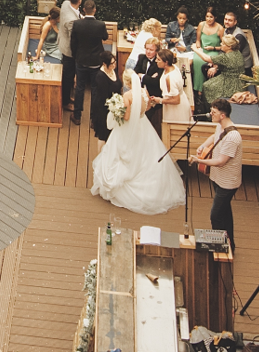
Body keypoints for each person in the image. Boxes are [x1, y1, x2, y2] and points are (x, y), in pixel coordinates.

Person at [90, 69, 186, 216]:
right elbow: (147, 107)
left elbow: (127, 117)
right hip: (143, 124)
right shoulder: (144, 92)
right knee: (146, 154)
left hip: (128, 129)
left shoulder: (127, 96)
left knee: (121, 153)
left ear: (127, 82)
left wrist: (117, 112)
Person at [190, 98, 243, 250]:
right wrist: (202, 146)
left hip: (228, 182)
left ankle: (221, 245)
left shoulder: (233, 137)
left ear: (222, 115)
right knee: (225, 211)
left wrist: (198, 160)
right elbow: (215, 138)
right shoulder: (220, 126)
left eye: (213, 112)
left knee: (216, 215)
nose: (210, 114)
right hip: (218, 178)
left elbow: (221, 161)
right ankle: (230, 243)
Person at [68, 8, 109, 127]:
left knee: (79, 87)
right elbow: (105, 37)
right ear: (95, 10)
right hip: (96, 61)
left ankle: (77, 116)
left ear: (84, 10)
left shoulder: (77, 24)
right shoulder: (100, 24)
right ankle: (93, 119)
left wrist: (76, 56)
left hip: (81, 60)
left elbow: (73, 42)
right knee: (95, 89)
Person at [192, 34, 246, 101]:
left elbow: (206, 58)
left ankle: (209, 105)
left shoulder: (226, 57)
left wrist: (195, 49)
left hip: (231, 83)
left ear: (229, 47)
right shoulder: (237, 52)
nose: (220, 44)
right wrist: (216, 67)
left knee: (207, 86)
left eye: (223, 43)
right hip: (239, 80)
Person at [133, 37, 164, 135]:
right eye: (147, 49)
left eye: (151, 49)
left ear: (157, 50)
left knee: (147, 118)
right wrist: (149, 78)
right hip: (140, 92)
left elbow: (156, 82)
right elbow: (134, 74)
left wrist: (142, 76)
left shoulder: (159, 62)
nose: (148, 52)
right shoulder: (141, 57)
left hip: (153, 95)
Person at [57, 0, 83, 110]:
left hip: (62, 43)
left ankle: (67, 97)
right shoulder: (71, 21)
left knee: (68, 75)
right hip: (69, 51)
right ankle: (65, 102)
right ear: (80, 0)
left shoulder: (65, 4)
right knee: (68, 76)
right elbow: (75, 39)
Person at [88, 50, 120, 145]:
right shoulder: (100, 77)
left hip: (114, 107)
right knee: (103, 135)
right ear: (104, 64)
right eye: (111, 64)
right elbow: (103, 97)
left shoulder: (114, 70)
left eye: (115, 62)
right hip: (103, 109)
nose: (114, 65)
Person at [191, 7, 224, 96]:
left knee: (205, 61)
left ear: (215, 17)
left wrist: (213, 48)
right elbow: (198, 40)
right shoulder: (201, 25)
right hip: (202, 50)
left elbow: (224, 46)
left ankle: (203, 89)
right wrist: (198, 47)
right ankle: (196, 88)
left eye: (211, 17)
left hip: (213, 51)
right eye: (207, 16)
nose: (209, 19)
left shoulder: (220, 28)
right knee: (198, 60)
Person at [157, 48, 193, 124]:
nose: (156, 61)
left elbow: (176, 100)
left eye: (158, 59)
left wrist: (160, 100)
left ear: (166, 62)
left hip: (176, 110)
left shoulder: (170, 78)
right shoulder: (172, 66)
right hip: (173, 105)